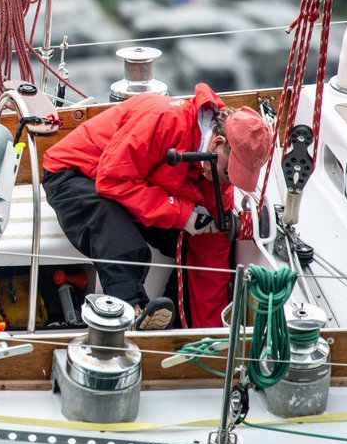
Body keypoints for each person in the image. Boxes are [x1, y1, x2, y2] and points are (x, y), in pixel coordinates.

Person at [41, 85, 273, 329]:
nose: (229, 181)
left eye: (236, 177)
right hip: (75, 172)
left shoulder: (217, 177)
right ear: (217, 142)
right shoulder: (165, 120)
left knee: (194, 242)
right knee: (116, 232)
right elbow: (112, 180)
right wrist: (183, 214)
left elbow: (210, 258)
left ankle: (177, 324)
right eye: (229, 172)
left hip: (132, 183)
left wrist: (210, 332)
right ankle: (132, 309)